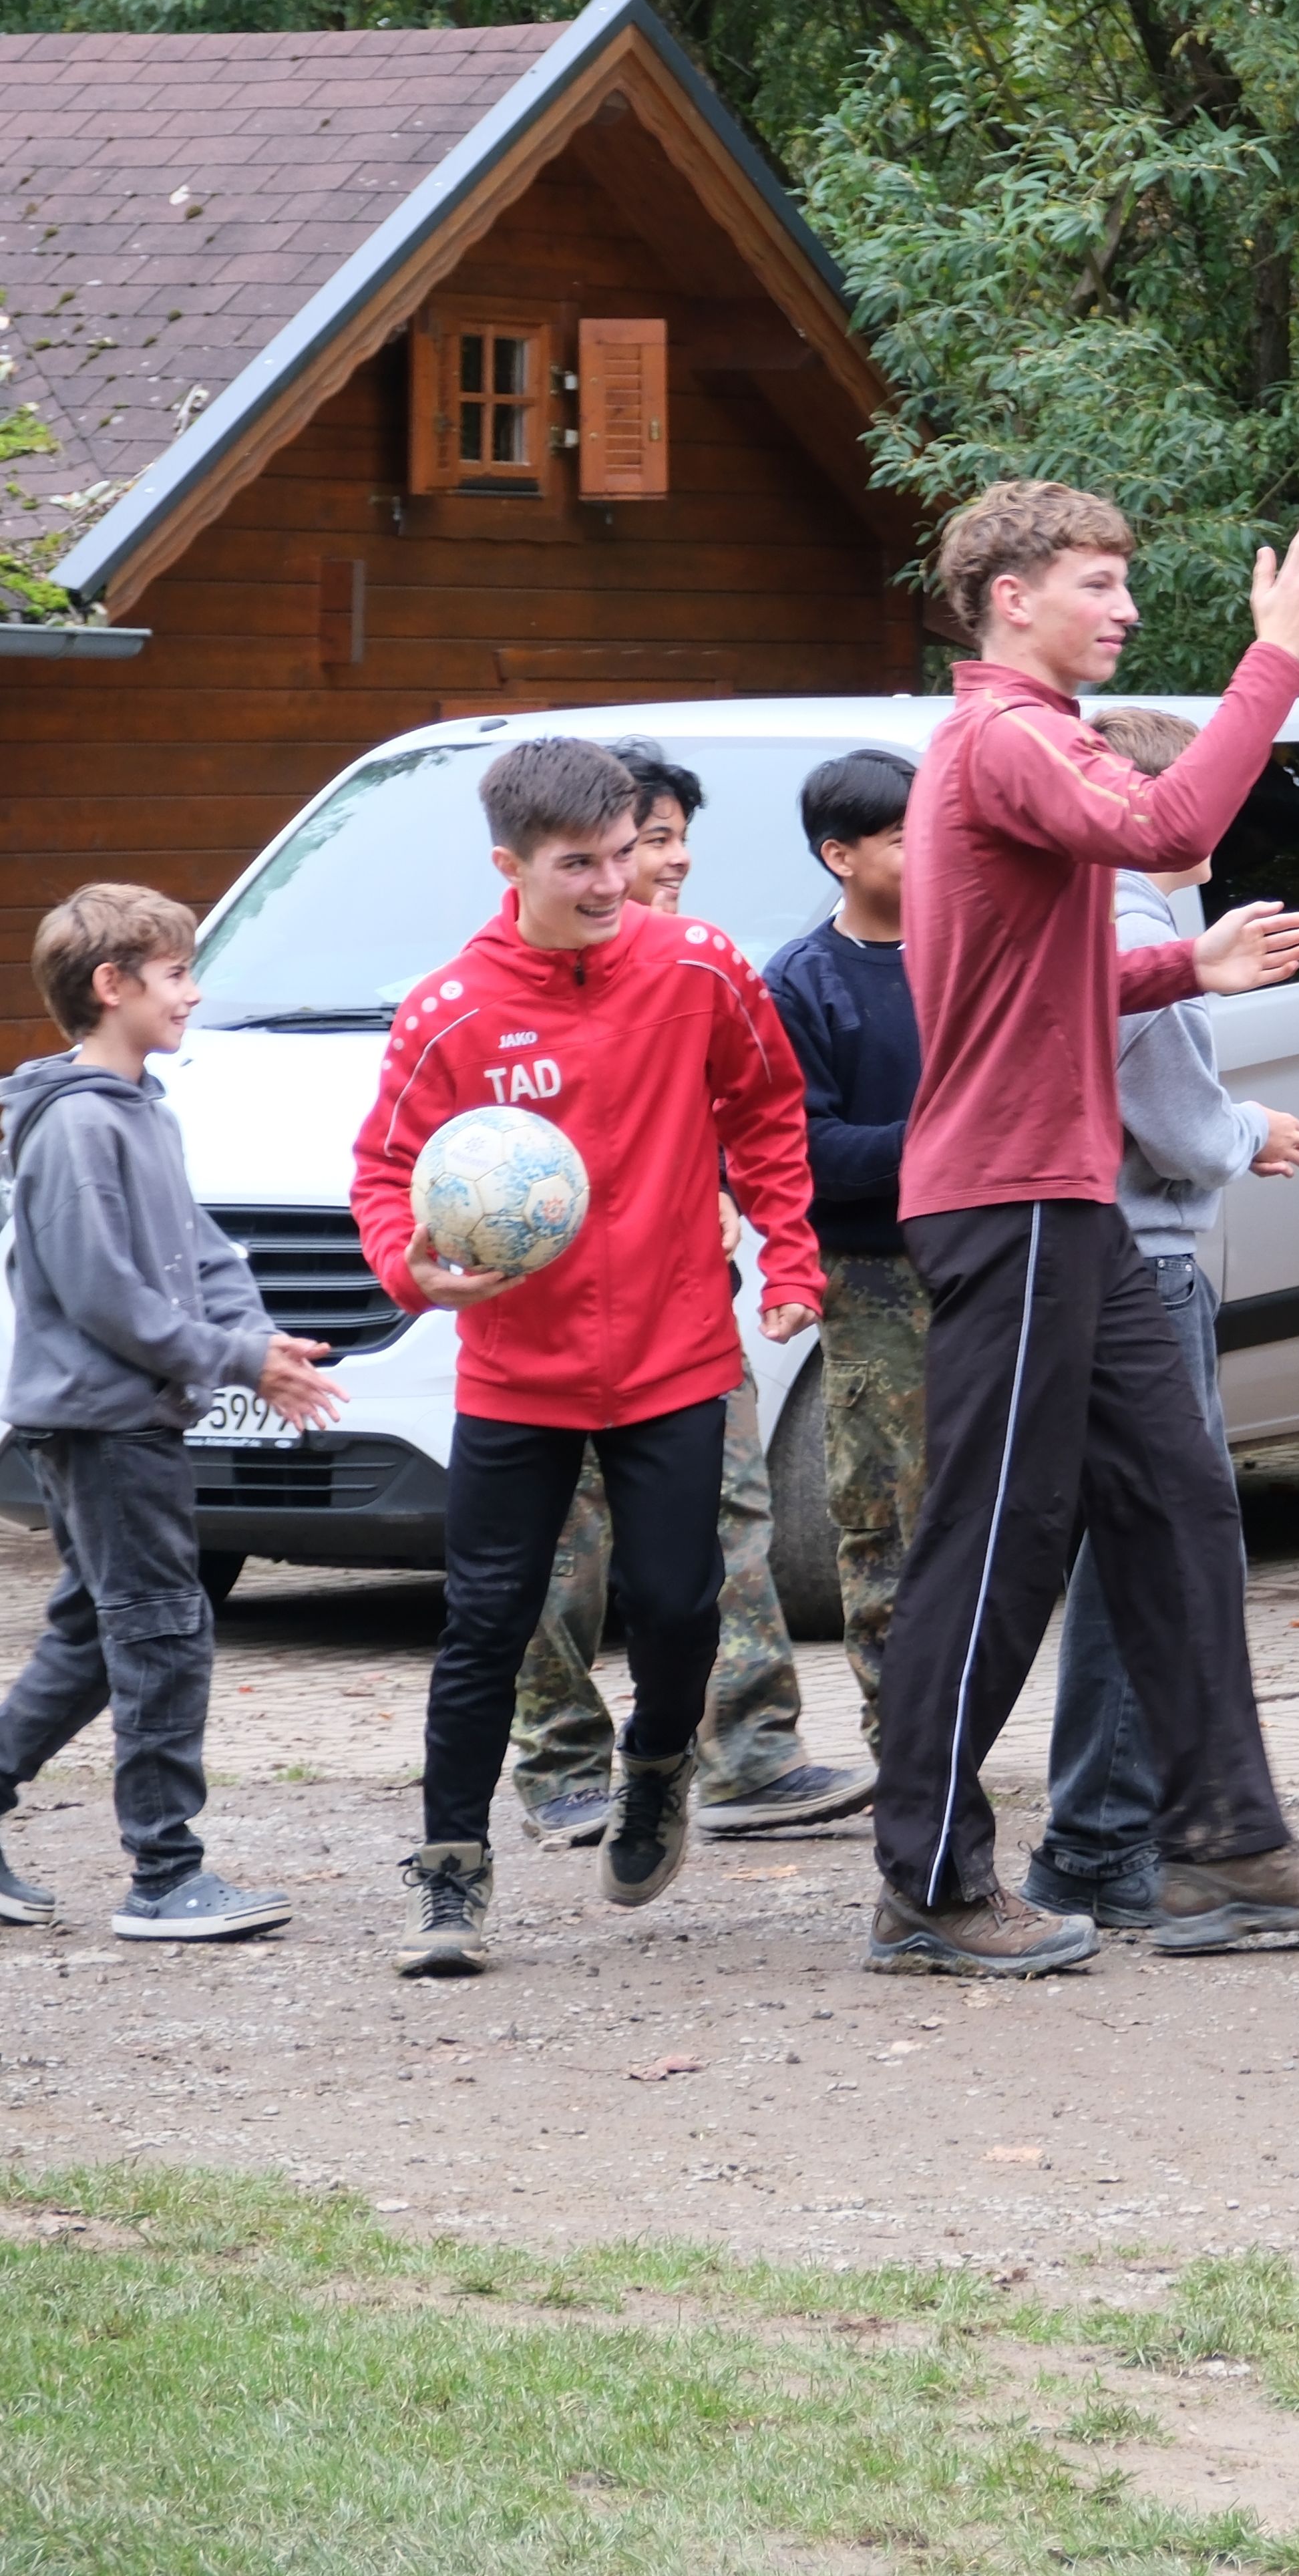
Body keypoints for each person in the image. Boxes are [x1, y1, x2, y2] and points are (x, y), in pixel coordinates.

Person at [875, 482, 1299, 1980]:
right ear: (1008, 596)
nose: (1125, 607)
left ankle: (1226, 1839)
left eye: (1123, 581)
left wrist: (1182, 972)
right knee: (998, 1536)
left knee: (1180, 1501)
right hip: (1012, 1198)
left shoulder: (1013, 743)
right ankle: (928, 1884)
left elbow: (1021, 984)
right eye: (1095, 583)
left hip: (1063, 1201)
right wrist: (1277, 654)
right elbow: (1172, 821)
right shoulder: (1009, 735)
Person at [357, 738, 826, 1979]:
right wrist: (412, 1267)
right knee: (486, 1622)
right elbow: (386, 1174)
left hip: (676, 1355)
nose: (616, 882)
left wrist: (790, 1260)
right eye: (581, 864)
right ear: (510, 867)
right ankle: (451, 1871)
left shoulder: (701, 965)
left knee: (677, 1603)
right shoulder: (452, 1010)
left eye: (625, 853)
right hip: (519, 1373)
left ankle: (656, 1768)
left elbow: (766, 1113)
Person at [506, 742, 870, 1848]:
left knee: (734, 1515)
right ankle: (561, 1766)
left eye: (665, 841)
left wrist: (756, 1226)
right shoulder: (519, 981)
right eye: (646, 841)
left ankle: (748, 1756)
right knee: (562, 1542)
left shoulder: (702, 968)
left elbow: (758, 1111)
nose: (664, 862)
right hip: (557, 1322)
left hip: (692, 1308)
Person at [1023, 703, 1299, 1929]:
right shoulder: (1137, 920)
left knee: (1126, 1549)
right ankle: (1105, 1839)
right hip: (1142, 1263)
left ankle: (1112, 1834)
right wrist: (1251, 1131)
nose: (1219, 809)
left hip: (1094, 1257)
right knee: (1162, 1552)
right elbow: (1178, 1119)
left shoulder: (1096, 912)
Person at [0, 884, 342, 1940]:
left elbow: (204, 1255)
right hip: (105, 1423)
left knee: (96, 1637)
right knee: (162, 1630)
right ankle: (164, 1875)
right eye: (178, 973)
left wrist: (260, 1341)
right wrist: (236, 1359)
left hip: (124, 1416)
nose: (194, 993)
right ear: (113, 985)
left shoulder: (144, 1110)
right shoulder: (76, 1127)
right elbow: (106, 1295)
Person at [761, 748, 928, 1737]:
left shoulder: (974, 948)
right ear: (840, 856)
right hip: (870, 1281)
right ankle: (899, 1732)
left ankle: (965, 1720)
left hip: (988, 1263)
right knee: (884, 1513)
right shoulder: (802, 982)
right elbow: (805, 1151)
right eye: (906, 838)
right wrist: (936, 1141)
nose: (932, 851)